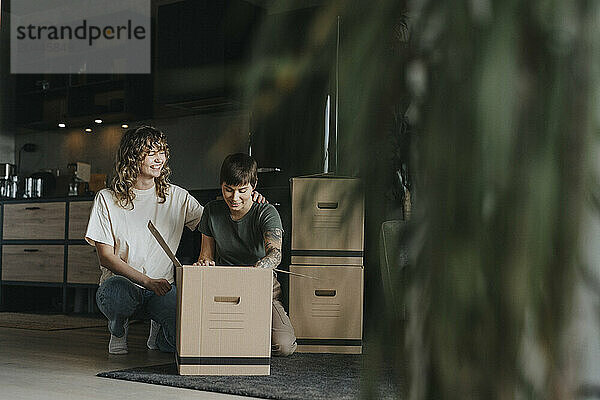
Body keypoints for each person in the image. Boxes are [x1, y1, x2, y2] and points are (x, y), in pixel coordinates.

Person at [85, 126, 264, 355]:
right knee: (115, 294)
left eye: (162, 151)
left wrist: (248, 202)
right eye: (150, 152)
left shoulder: (177, 196)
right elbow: (106, 258)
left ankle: (158, 331)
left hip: (163, 287)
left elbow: (213, 223)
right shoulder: (107, 199)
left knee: (183, 338)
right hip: (123, 285)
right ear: (132, 155)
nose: (159, 158)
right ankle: (118, 328)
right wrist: (148, 281)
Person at [195, 153, 297, 356]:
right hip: (224, 289)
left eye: (242, 191)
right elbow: (205, 255)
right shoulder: (211, 211)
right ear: (221, 185)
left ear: (254, 185)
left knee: (283, 346)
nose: (234, 198)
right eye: (228, 190)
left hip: (262, 289)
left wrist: (256, 270)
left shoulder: (266, 212)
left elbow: (275, 254)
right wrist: (204, 264)